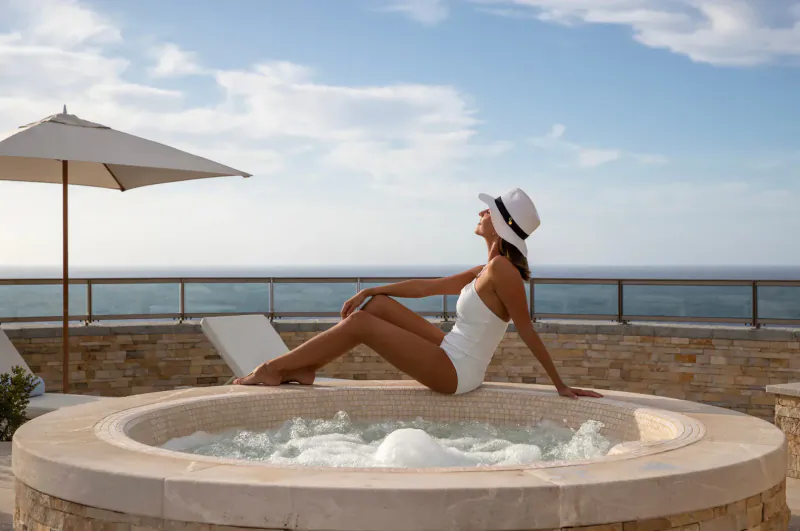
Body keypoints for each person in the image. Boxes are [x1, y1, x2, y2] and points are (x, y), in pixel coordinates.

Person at [234, 188, 603, 399]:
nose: (481, 212)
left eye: (488, 211)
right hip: (451, 350)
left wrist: (560, 386)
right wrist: (374, 289)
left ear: (502, 225)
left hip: (459, 372)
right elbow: (429, 287)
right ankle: (305, 367)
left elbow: (526, 328)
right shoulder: (489, 268)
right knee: (376, 306)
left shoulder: (501, 270)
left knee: (362, 323)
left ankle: (272, 369)